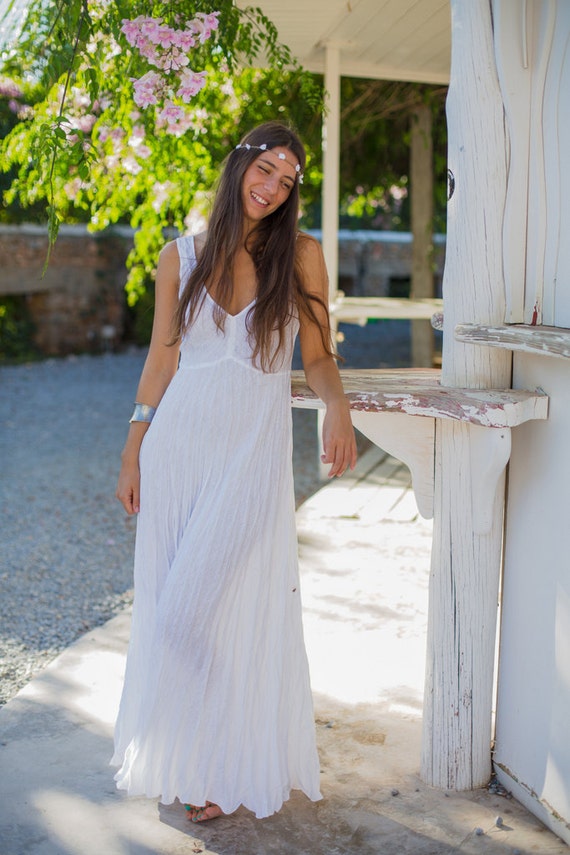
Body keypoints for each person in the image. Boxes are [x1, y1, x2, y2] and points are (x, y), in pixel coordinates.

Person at [113, 121, 357, 822]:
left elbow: (317, 353)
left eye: (287, 181)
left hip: (250, 458)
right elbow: (162, 361)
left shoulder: (302, 255)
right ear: (241, 162)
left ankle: (222, 756)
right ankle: (199, 756)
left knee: (205, 610)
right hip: (177, 453)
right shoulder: (178, 257)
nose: (273, 188)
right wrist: (133, 447)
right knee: (174, 613)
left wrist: (335, 407)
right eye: (266, 169)